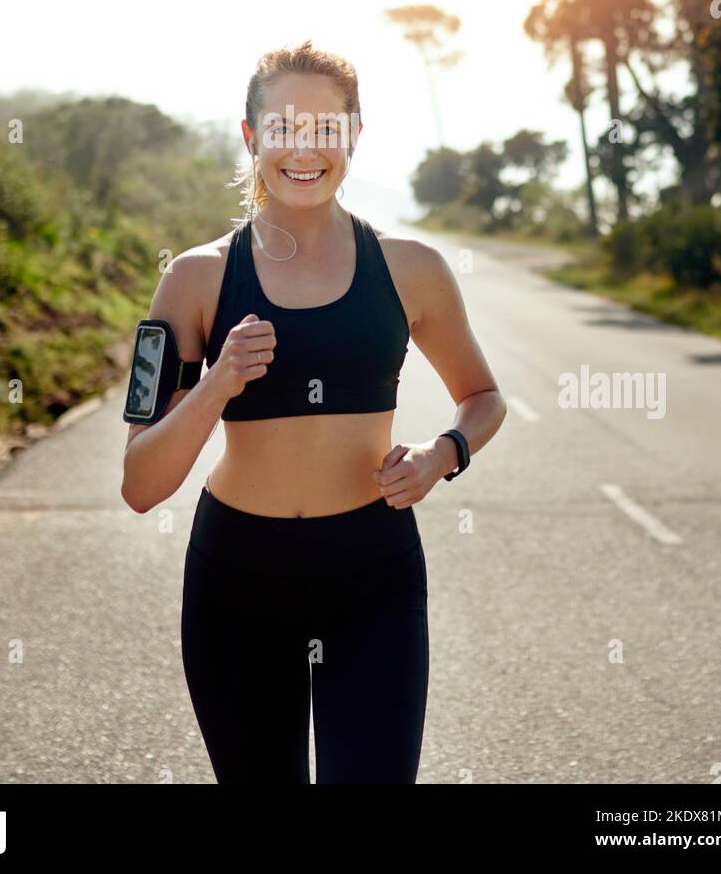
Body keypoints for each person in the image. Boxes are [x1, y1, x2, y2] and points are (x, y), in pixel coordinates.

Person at [121, 40, 506, 784]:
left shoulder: (411, 268)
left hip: (373, 579)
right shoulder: (193, 279)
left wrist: (441, 455)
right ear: (249, 136)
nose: (304, 149)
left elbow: (484, 397)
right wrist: (215, 384)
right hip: (236, 581)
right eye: (283, 128)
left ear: (354, 136)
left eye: (326, 129)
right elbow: (140, 483)